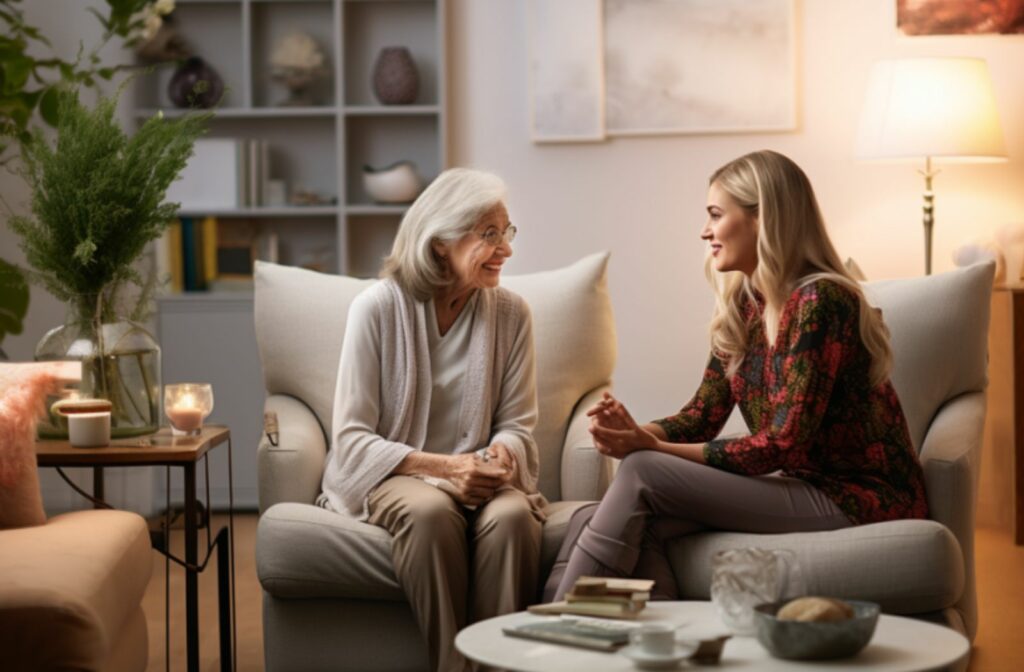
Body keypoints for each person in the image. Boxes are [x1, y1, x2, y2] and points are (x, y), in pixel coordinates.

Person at [546, 150, 929, 602]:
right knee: (618, 510)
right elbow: (702, 415)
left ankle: (555, 622)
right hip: (803, 484)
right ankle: (666, 646)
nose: (704, 231)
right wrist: (635, 432)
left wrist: (648, 447)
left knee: (642, 471)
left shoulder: (821, 302)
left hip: (861, 497)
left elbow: (782, 445)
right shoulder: (746, 304)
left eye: (715, 215)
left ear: (763, 219)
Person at [319, 168, 545, 672]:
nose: (505, 249)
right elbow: (352, 439)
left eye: (506, 232)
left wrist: (498, 458)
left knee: (513, 517)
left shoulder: (513, 314)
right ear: (441, 241)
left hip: (482, 473)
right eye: (489, 234)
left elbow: (517, 424)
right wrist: (447, 469)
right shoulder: (376, 308)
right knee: (429, 514)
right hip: (398, 474)